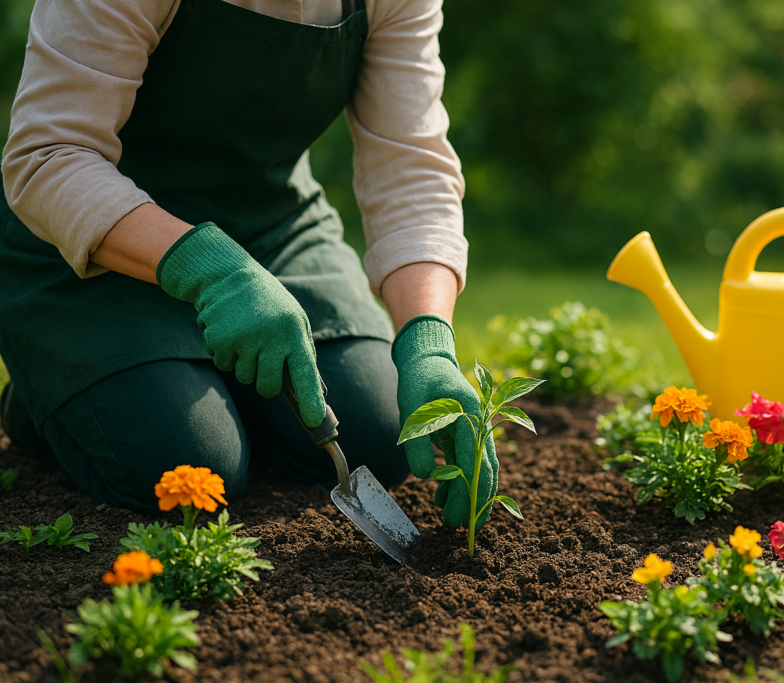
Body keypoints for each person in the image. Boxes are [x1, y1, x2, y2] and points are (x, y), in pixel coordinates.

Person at [0, 0, 496, 529]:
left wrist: (428, 341)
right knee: (188, 469)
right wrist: (215, 271)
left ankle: (194, 383)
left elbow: (410, 169)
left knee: (377, 437)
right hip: (100, 240)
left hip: (271, 229)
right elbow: (50, 154)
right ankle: (52, 392)